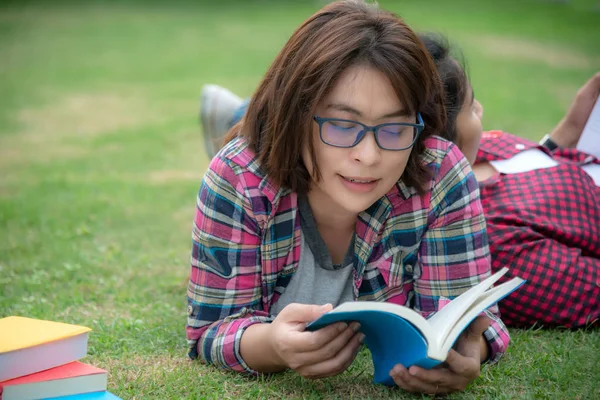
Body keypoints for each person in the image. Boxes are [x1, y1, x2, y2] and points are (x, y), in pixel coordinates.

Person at [188, 1, 511, 395]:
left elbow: (472, 320)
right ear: (297, 115)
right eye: (342, 125)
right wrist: (272, 345)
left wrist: (470, 350)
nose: (369, 156)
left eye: (394, 128)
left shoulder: (439, 172)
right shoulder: (238, 176)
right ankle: (233, 116)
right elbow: (212, 328)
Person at [201, 33, 600, 329]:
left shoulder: (467, 162)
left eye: (395, 128)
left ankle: (242, 113)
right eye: (470, 106)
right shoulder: (487, 202)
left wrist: (558, 140)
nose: (370, 154)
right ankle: (246, 116)